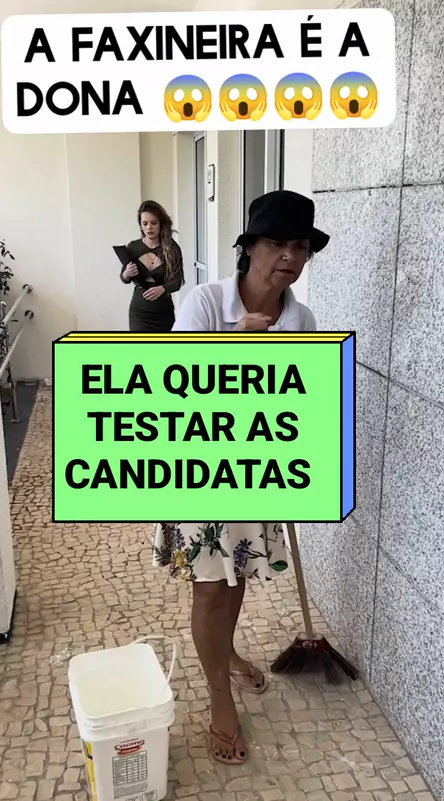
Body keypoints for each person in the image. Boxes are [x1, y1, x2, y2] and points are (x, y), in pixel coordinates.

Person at [153, 190, 330, 766]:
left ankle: (226, 653)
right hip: (199, 468)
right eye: (276, 243)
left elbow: (299, 403)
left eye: (299, 246)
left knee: (237, 576)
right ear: (250, 247)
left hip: (257, 470)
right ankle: (219, 699)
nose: (289, 256)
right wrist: (238, 342)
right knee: (210, 585)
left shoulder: (301, 320)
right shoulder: (205, 303)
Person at [120, 200, 184, 332]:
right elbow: (124, 278)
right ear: (140, 225)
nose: (149, 227)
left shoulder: (172, 249)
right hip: (139, 313)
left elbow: (177, 281)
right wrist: (127, 273)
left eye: (153, 223)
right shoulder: (133, 247)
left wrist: (163, 288)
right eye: (145, 223)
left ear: (161, 224)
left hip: (163, 313)